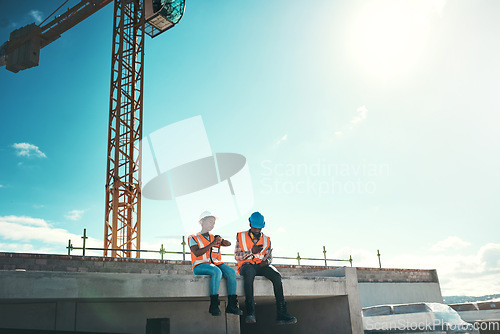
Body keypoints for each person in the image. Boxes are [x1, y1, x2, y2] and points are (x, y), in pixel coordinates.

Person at [234, 211, 297, 325]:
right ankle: (250, 312)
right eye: (255, 228)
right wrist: (251, 252)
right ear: (250, 224)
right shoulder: (241, 236)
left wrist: (267, 261)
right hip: (246, 266)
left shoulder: (267, 239)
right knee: (249, 273)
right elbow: (237, 256)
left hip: (261, 266)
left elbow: (270, 256)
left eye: (259, 228)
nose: (257, 230)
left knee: (276, 276)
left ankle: (282, 314)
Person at [188, 211, 243, 316]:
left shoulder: (214, 237)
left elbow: (227, 243)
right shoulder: (193, 237)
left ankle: (231, 305)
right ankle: (213, 305)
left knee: (231, 272)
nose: (212, 225)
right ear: (202, 222)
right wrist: (212, 243)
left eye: (213, 223)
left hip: (215, 263)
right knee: (216, 271)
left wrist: (223, 241)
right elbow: (197, 252)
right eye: (210, 222)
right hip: (200, 265)